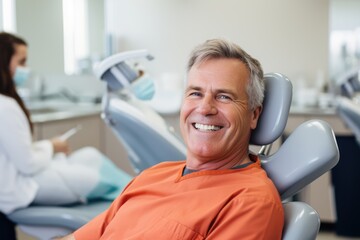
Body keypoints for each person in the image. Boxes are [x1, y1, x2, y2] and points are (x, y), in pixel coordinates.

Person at [59, 38, 284, 240]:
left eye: (224, 96)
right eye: (195, 93)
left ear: (254, 114)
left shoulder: (250, 203)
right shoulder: (152, 176)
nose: (205, 108)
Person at [0, 31, 133, 234]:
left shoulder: (6, 103)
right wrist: (51, 147)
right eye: (22, 62)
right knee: (97, 177)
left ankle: (135, 193)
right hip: (20, 188)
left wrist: (50, 148)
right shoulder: (5, 106)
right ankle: (136, 198)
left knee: (89, 154)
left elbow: (14, 151)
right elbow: (27, 164)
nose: (26, 69)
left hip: (22, 177)